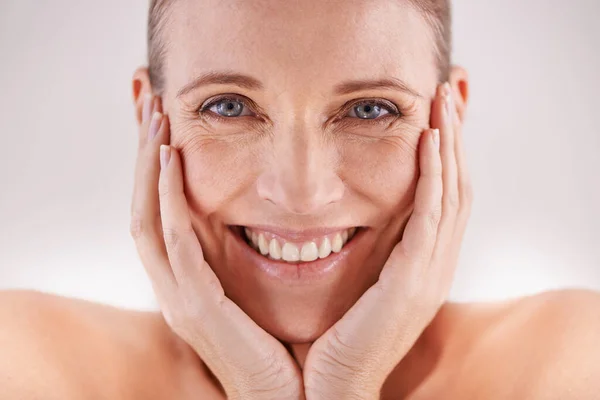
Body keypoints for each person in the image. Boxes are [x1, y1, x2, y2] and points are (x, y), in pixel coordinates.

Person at [1, 0, 599, 398]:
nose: (301, 194)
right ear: (149, 117)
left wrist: (348, 384)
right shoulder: (26, 363)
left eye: (370, 109)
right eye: (228, 106)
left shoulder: (568, 362)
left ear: (453, 117)